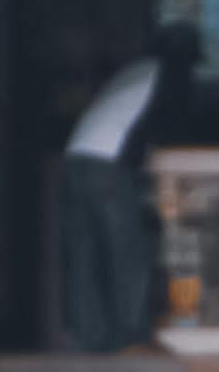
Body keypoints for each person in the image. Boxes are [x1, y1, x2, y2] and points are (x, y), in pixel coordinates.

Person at [54, 25, 197, 352]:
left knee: (85, 256)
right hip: (109, 165)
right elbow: (176, 124)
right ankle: (130, 336)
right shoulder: (168, 73)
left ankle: (88, 338)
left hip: (75, 157)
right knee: (126, 255)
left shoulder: (137, 69)